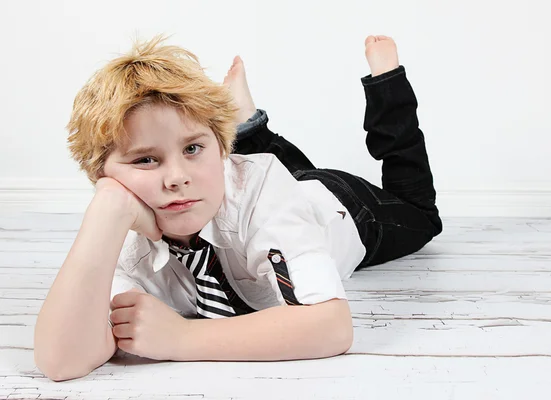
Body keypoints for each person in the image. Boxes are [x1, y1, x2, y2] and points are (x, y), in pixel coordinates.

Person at [33, 34, 442, 381]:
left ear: (221, 149)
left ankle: (384, 82)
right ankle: (245, 123)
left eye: (193, 147)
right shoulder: (126, 239)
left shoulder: (262, 188)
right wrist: (106, 209)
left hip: (345, 208)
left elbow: (332, 328)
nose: (175, 177)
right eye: (145, 159)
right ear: (103, 175)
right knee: (280, 174)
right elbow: (61, 361)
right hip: (260, 188)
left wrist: (182, 338)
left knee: (421, 213)